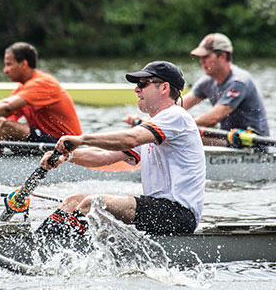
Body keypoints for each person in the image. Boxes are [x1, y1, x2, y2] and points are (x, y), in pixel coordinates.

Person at [37, 61, 205, 236]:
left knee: (93, 203)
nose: (136, 89)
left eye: (143, 83)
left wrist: (82, 139)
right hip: (157, 208)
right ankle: (41, 242)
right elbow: (105, 157)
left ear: (164, 88)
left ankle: (67, 249)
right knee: (73, 201)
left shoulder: (176, 116)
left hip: (179, 214)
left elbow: (130, 139)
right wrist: (68, 156)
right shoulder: (155, 126)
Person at [125, 33, 269, 147]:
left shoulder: (239, 81)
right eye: (200, 57)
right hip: (227, 138)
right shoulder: (207, 81)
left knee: (184, 133)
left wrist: (175, 126)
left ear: (223, 56)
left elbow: (214, 118)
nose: (201, 61)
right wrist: (149, 122)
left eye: (206, 57)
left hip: (252, 142)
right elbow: (177, 105)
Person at [0, 42, 82, 157]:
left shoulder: (43, 82)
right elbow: (0, 116)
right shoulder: (22, 88)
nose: (5, 70)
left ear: (23, 64)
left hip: (66, 145)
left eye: (9, 64)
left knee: (7, 127)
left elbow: (6, 106)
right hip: (45, 141)